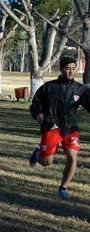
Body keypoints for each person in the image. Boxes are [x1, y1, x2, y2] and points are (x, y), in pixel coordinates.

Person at [28, 56, 90, 200]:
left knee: (72, 157)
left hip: (70, 127)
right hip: (51, 126)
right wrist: (38, 114)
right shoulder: (49, 87)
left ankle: (63, 188)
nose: (71, 72)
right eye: (68, 68)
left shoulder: (80, 89)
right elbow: (35, 104)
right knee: (46, 162)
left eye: (74, 69)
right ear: (61, 69)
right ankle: (38, 153)